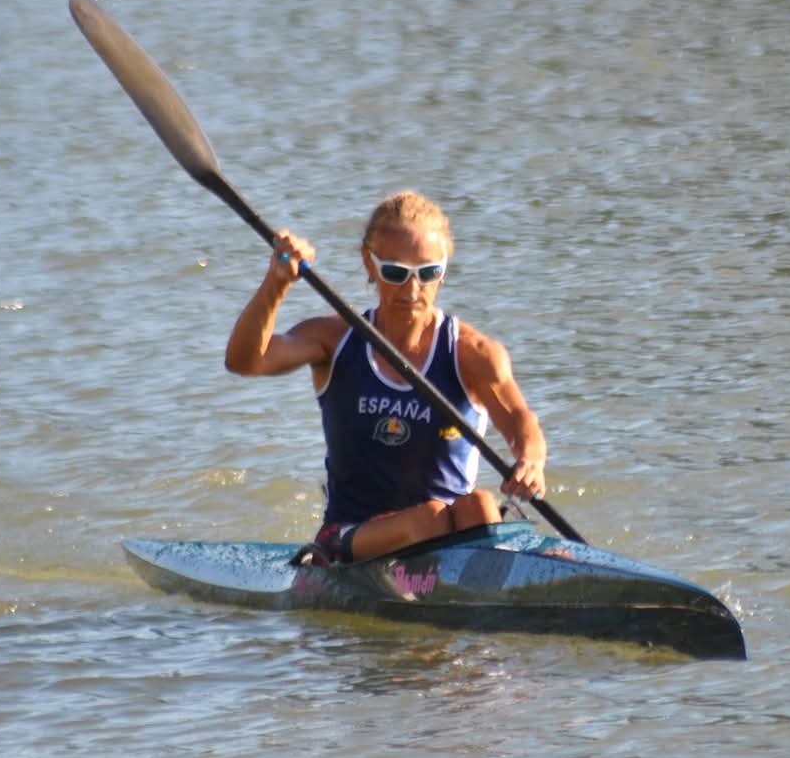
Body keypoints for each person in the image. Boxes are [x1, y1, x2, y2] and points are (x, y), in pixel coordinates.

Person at [223, 191, 548, 565]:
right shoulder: (335, 339)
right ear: (369, 263)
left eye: (428, 273)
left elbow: (520, 420)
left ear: (444, 268)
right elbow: (245, 361)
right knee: (429, 518)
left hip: (451, 536)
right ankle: (472, 584)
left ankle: (486, 586)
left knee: (480, 504)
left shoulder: (473, 353)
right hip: (351, 538)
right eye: (396, 272)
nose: (412, 290)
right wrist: (276, 284)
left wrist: (530, 461)